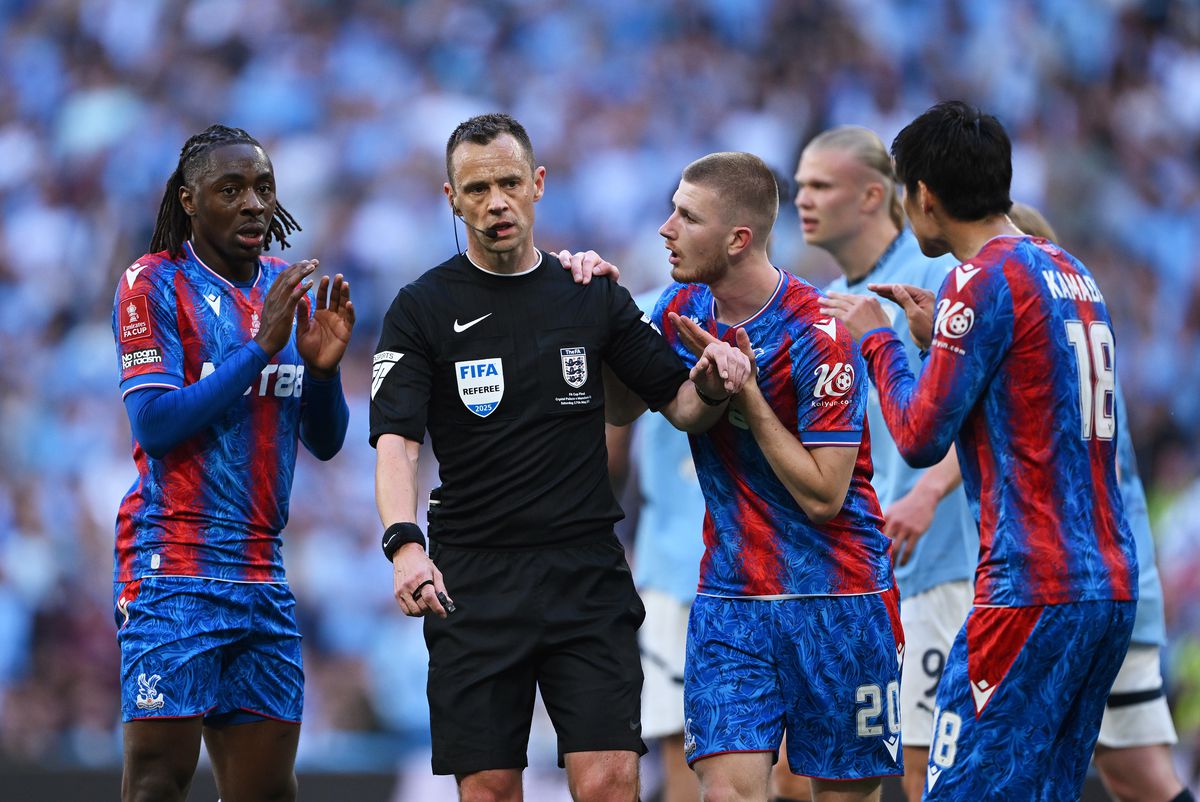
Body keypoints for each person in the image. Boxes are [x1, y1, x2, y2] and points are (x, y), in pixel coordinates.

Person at [368, 113, 749, 802]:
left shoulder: (591, 293)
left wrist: (717, 383)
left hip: (584, 574)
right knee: (487, 789)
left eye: (509, 182)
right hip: (474, 580)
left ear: (538, 184)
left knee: (609, 780)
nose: (496, 202)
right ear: (450, 198)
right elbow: (396, 440)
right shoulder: (420, 309)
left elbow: (682, 406)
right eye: (476, 188)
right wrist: (403, 545)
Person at [821, 101, 1138, 800]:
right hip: (1107, 587)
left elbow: (917, 434)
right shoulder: (1069, 268)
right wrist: (946, 341)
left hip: (1028, 586)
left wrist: (879, 338)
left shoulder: (979, 277)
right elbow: (1031, 386)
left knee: (958, 789)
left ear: (922, 198)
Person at [647, 151, 903, 802]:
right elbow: (645, 407)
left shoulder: (821, 334)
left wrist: (749, 396)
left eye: (686, 216)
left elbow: (823, 495)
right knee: (726, 792)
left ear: (738, 240)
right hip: (731, 600)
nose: (665, 228)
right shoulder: (679, 311)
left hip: (838, 598)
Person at [111, 124, 355, 802]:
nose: (254, 203)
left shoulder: (288, 286)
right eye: (231, 189)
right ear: (188, 201)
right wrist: (259, 349)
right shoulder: (150, 283)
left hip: (261, 572)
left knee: (268, 793)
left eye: (264, 188)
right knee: (158, 782)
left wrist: (324, 373)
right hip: (172, 569)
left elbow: (328, 441)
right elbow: (155, 425)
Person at [776, 126, 977, 802]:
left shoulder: (931, 278)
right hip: (869, 573)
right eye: (800, 183)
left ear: (871, 195)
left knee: (930, 775)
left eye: (819, 185)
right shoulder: (824, 302)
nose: (800, 198)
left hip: (946, 565)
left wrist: (928, 493)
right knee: (820, 771)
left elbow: (983, 407)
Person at [1007, 202, 1192, 802]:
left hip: (1078, 584)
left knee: (1124, 769)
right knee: (1125, 770)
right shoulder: (1078, 340)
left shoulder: (1041, 353)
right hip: (1095, 580)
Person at [606, 285, 708, 802]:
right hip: (683, 569)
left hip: (681, 569)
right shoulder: (643, 312)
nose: (671, 232)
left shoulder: (642, 314)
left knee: (687, 755)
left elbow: (611, 451)